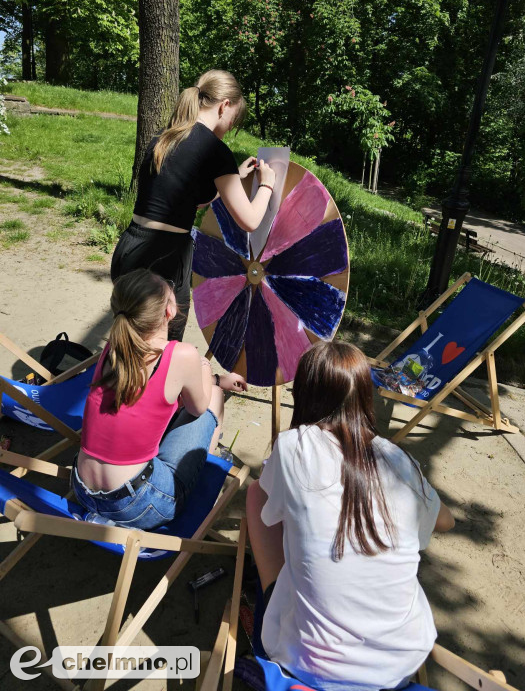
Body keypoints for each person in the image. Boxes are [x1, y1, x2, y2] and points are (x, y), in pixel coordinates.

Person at [246, 341, 455, 691]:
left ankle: (270, 597)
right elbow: (446, 521)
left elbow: (273, 505)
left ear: (302, 394)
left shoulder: (294, 445)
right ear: (365, 397)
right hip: (400, 664)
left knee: (257, 494)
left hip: (310, 665)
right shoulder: (396, 458)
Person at [72, 268, 247, 530]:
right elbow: (198, 408)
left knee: (193, 400)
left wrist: (213, 378)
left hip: (83, 490)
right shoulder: (181, 354)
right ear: (170, 310)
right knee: (214, 399)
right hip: (137, 504)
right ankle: (206, 470)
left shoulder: (114, 347)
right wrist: (205, 371)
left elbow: (149, 395)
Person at [111, 69, 276, 340]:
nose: (230, 128)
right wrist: (267, 184)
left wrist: (234, 177)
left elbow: (188, 201)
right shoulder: (214, 150)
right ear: (224, 106)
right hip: (163, 259)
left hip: (130, 248)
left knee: (130, 344)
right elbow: (250, 220)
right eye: (234, 120)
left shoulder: (166, 137)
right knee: (161, 351)